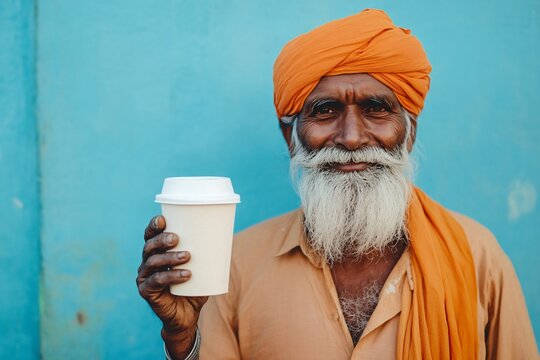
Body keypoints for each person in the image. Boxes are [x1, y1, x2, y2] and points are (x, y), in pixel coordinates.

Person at [136, 9, 538, 359]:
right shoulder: (235, 265)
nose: (350, 138)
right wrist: (183, 338)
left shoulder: (477, 257)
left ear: (409, 133)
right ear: (290, 137)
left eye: (376, 109)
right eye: (325, 111)